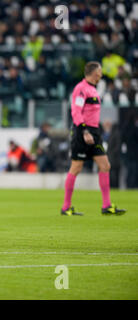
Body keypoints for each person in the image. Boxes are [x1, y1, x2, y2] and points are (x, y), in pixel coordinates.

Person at [61, 61, 126, 216]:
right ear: (93, 72)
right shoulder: (81, 89)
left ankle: (106, 206)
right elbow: (76, 112)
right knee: (76, 167)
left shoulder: (93, 89)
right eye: (100, 71)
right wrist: (84, 131)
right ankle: (66, 207)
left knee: (105, 165)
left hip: (94, 132)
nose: (101, 74)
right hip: (82, 132)